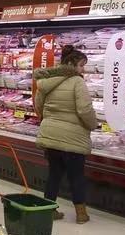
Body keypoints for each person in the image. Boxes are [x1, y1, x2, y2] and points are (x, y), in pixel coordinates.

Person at [33, 45, 99, 224]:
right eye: (81, 65)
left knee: (54, 174)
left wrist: (50, 119)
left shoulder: (47, 80)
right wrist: (93, 125)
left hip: (51, 134)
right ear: (71, 64)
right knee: (76, 176)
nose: (82, 69)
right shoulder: (77, 82)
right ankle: (81, 214)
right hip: (73, 137)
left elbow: (38, 106)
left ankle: (48, 210)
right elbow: (84, 109)